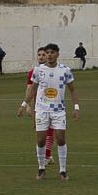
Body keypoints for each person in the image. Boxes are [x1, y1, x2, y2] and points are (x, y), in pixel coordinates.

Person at [18, 42, 78, 181]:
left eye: (52, 52)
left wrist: (76, 107)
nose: (49, 55)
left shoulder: (65, 70)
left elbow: (72, 89)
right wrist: (24, 104)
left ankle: (63, 170)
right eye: (47, 53)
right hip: (41, 110)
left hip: (58, 110)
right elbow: (32, 89)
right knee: (40, 140)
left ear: (57, 54)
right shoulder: (38, 70)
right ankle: (41, 168)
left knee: (61, 139)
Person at [26, 48, 53, 164]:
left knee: (51, 131)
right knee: (41, 133)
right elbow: (29, 89)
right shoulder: (33, 72)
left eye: (43, 54)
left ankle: (47, 156)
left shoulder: (54, 71)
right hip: (39, 106)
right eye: (39, 55)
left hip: (52, 106)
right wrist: (28, 105)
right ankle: (44, 157)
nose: (41, 57)